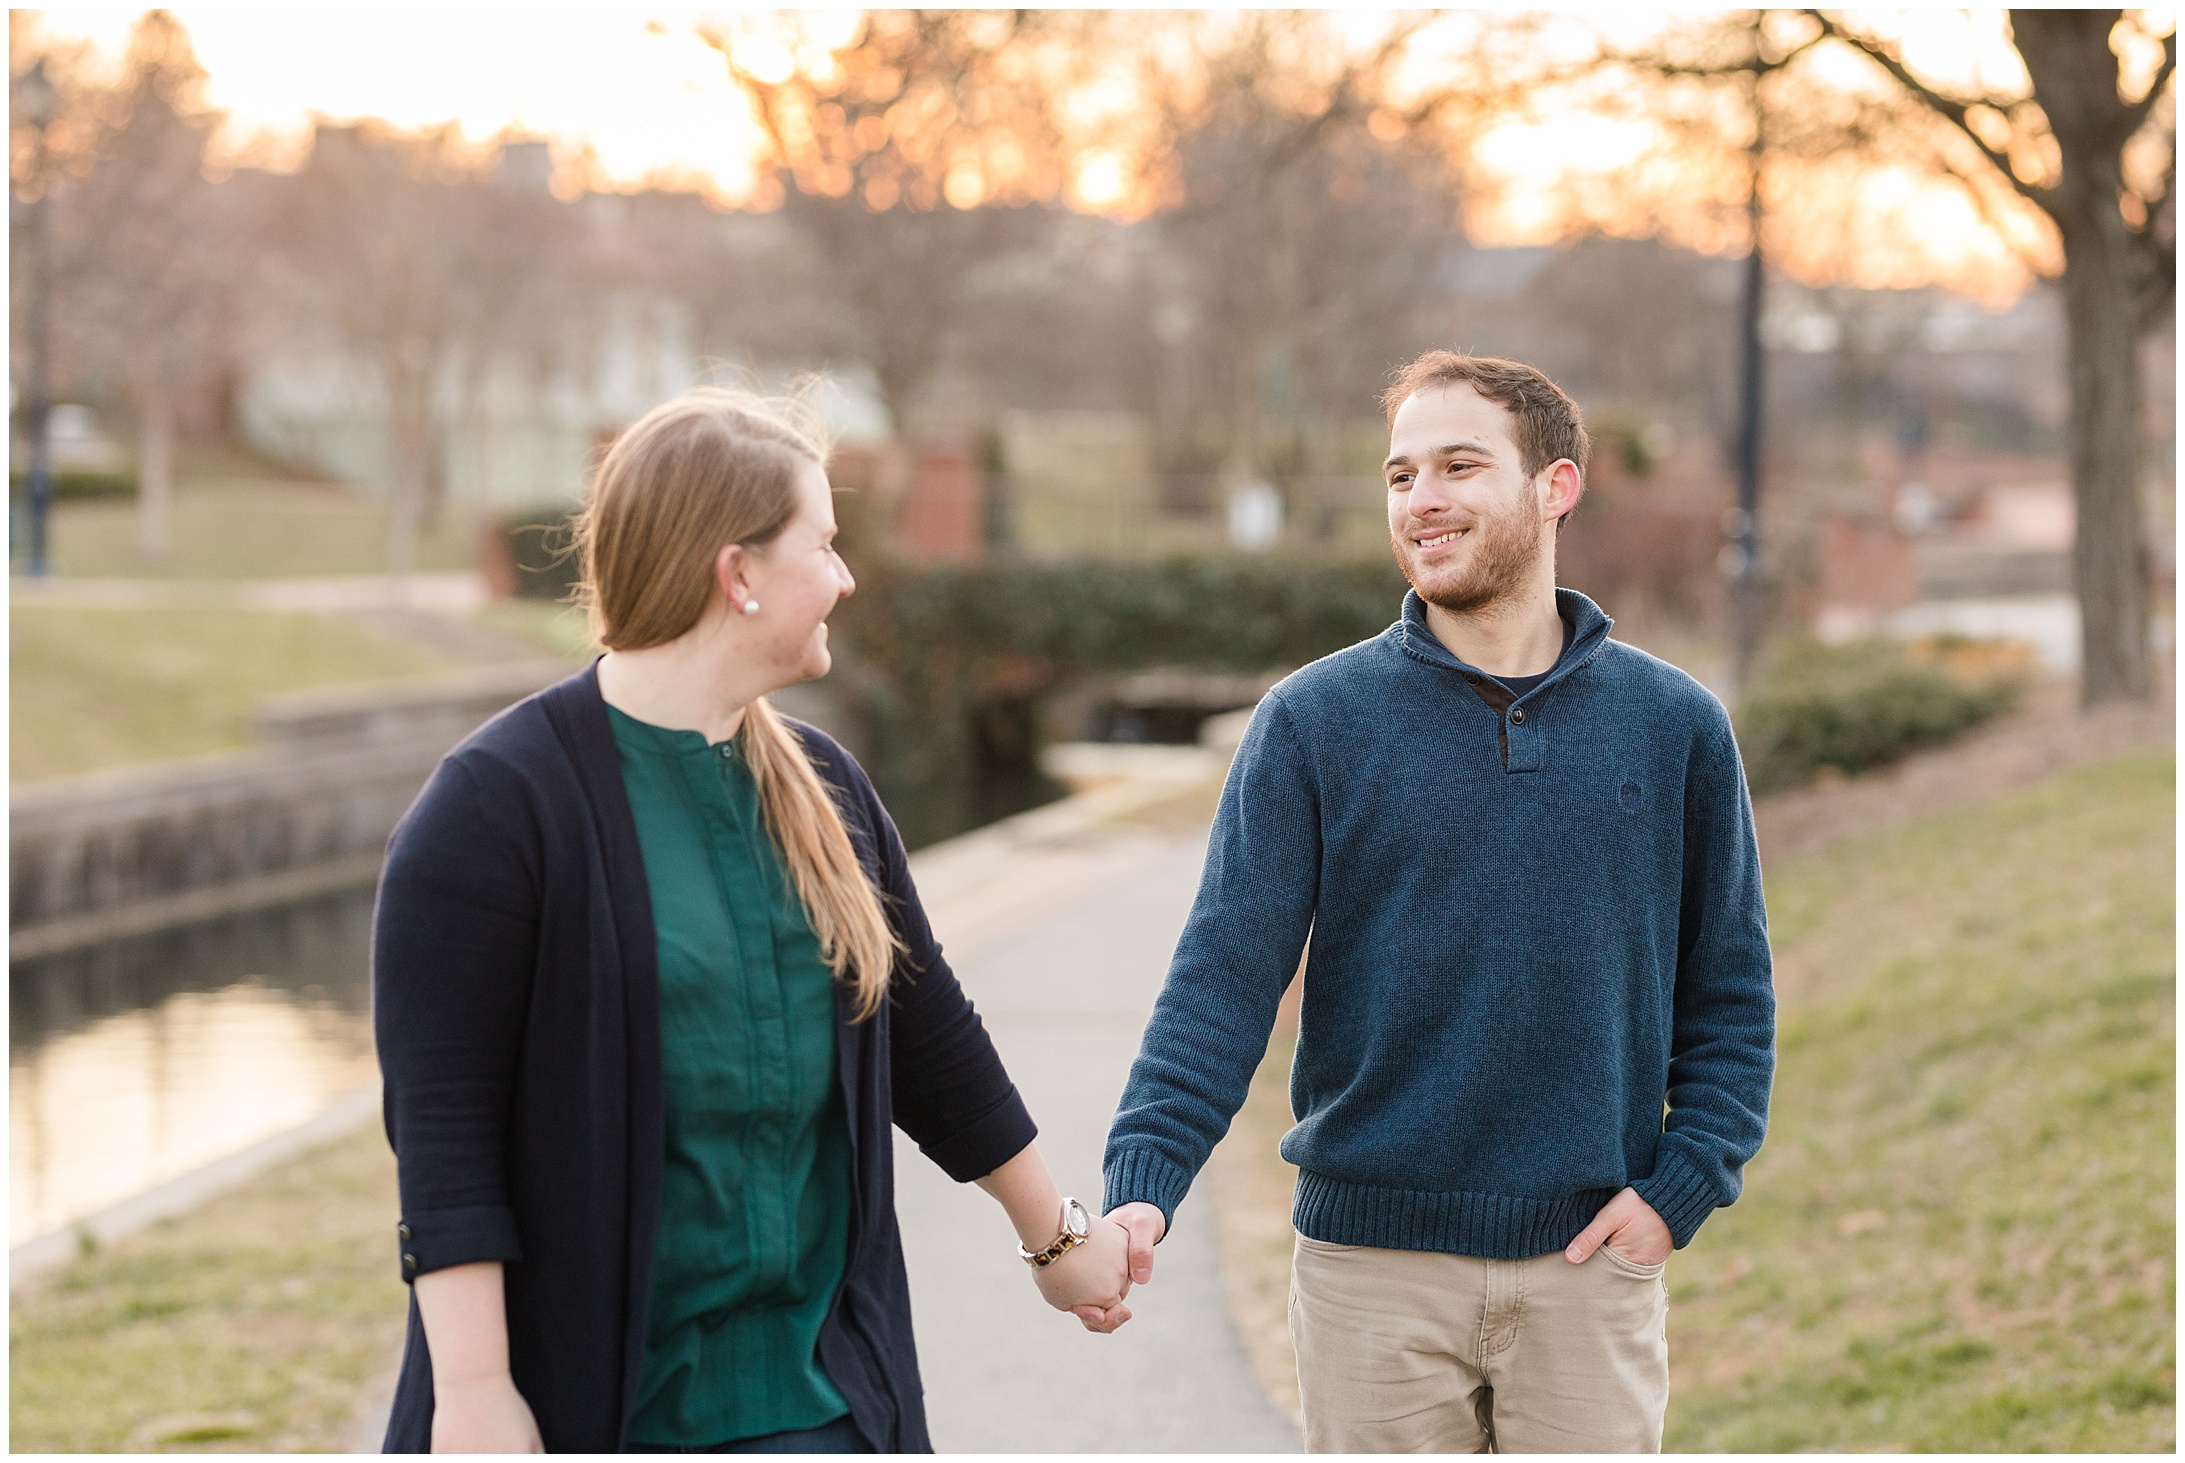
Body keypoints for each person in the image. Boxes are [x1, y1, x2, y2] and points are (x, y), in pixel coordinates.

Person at [373, 388, 1134, 1455]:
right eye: (821, 544)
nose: (844, 577)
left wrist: (1056, 1237)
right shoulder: (492, 811)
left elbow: (927, 1033)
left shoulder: (827, 785)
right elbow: (445, 1138)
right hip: (596, 1412)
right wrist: (477, 1390)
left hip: (824, 1402)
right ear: (737, 574)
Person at [1100, 352, 1776, 1453]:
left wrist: (1681, 1187)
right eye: (1401, 473)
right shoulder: (1312, 722)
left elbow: (1731, 993)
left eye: (1459, 465)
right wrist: (1144, 1179)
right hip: (1371, 1276)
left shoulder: (1674, 724)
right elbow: (1221, 980)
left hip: (1589, 1267)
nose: (1422, 499)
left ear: (1554, 486)